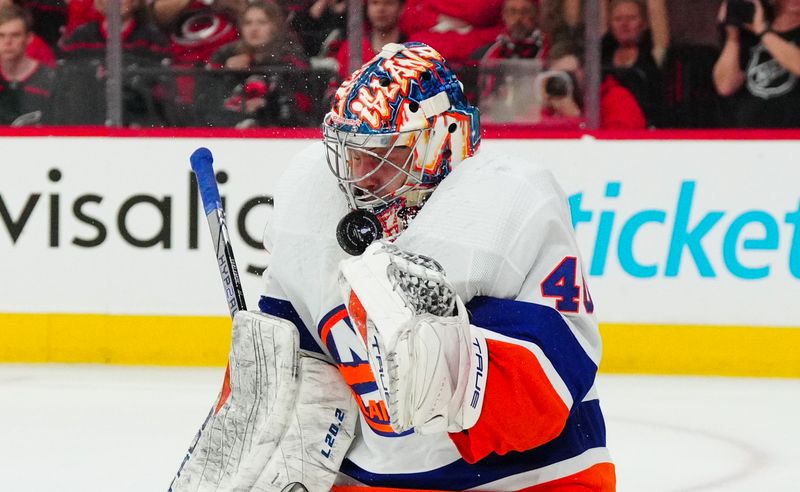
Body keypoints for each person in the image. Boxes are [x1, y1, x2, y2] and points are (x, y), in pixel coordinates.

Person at [170, 41, 614, 492]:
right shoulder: (312, 196)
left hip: (524, 479)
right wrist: (266, 408)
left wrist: (454, 363)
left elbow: (557, 379)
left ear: (441, 143)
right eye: (353, 153)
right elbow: (294, 349)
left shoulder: (510, 205)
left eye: (384, 155)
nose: (360, 175)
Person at [206, 0, 312, 127]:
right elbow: (207, 101)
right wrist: (226, 70)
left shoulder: (291, 56)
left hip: (281, 131)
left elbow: (301, 104)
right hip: (230, 130)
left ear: (275, 27)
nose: (254, 29)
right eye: (248, 23)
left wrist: (267, 103)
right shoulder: (225, 55)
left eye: (262, 22)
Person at [713, 0, 800, 127]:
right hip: (751, 134)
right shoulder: (750, 31)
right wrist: (733, 38)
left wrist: (764, 33)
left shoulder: (761, 29)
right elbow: (725, 86)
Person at [538, 41, 647, 129]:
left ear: (585, 72)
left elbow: (617, 149)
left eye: (568, 75)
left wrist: (575, 119)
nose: (562, 82)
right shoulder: (551, 105)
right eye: (556, 77)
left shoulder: (617, 100)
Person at [601, 0, 669, 126]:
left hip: (642, 130)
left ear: (643, 24)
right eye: (617, 19)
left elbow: (656, 13)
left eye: (631, 18)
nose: (624, 24)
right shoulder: (602, 56)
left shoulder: (652, 55)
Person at [0, 4, 53, 125]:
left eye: (15, 35)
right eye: (1, 35)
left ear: (29, 38)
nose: (7, 42)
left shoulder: (51, 81)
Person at [332, 0, 405, 79]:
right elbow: (336, 88)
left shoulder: (412, 51)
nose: (381, 9)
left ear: (401, 8)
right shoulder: (351, 49)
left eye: (389, 3)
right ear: (367, 8)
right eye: (375, 3)